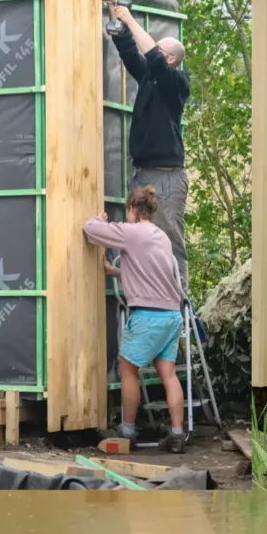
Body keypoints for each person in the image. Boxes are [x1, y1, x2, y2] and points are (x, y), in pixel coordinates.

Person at [82, 187, 187, 454]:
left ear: (132, 209)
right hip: (171, 315)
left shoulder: (132, 232)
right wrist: (116, 272)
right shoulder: (160, 236)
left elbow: (89, 230)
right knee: (169, 374)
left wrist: (101, 221)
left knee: (127, 370)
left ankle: (127, 431)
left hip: (147, 316)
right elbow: (149, 272)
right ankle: (177, 434)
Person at [101, 0, 192, 291]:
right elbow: (131, 53)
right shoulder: (150, 79)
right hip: (143, 174)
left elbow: (152, 58)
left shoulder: (176, 83)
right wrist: (116, 13)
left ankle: (179, 308)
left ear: (169, 58)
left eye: (156, 51)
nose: (149, 52)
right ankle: (144, 297)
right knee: (137, 239)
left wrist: (130, 17)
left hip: (166, 179)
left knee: (169, 241)